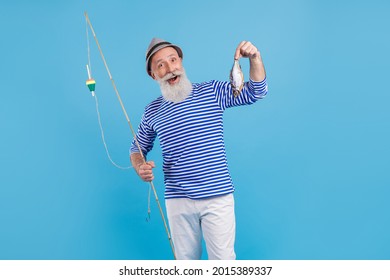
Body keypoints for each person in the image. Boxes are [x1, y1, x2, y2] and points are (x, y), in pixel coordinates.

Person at [130, 38, 268, 260]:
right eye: (160, 65)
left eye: (173, 60)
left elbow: (255, 92)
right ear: (153, 74)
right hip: (178, 201)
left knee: (223, 266)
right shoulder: (152, 111)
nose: (169, 68)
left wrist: (255, 59)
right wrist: (140, 167)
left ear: (181, 63)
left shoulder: (212, 91)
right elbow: (136, 149)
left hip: (217, 196)